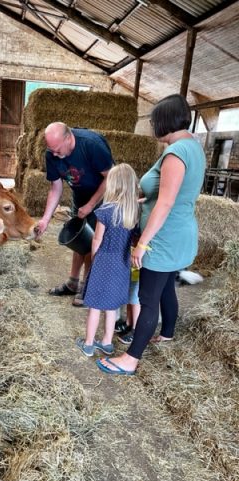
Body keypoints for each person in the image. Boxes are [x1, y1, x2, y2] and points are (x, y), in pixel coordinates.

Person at [96, 94, 206, 376]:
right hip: (181, 234)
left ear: (164, 121)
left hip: (163, 240)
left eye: (153, 121)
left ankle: (130, 360)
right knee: (167, 287)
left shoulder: (174, 154)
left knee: (147, 299)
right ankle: (167, 333)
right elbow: (170, 196)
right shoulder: (193, 146)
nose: (152, 127)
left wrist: (142, 244)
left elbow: (166, 202)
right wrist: (145, 203)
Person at [36, 122, 114, 306]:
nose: (54, 154)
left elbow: (111, 176)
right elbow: (55, 187)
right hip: (81, 195)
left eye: (56, 149)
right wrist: (46, 219)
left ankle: (88, 287)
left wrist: (91, 205)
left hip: (104, 195)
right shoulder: (52, 153)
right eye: (51, 150)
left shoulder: (91, 145)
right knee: (77, 236)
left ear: (69, 138)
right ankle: (73, 283)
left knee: (90, 240)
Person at [75, 163, 139, 356]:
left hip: (104, 261)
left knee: (95, 305)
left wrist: (95, 259)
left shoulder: (106, 210)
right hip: (122, 263)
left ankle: (88, 344)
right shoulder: (133, 212)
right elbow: (133, 238)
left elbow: (97, 239)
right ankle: (107, 343)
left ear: (113, 184)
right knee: (112, 307)